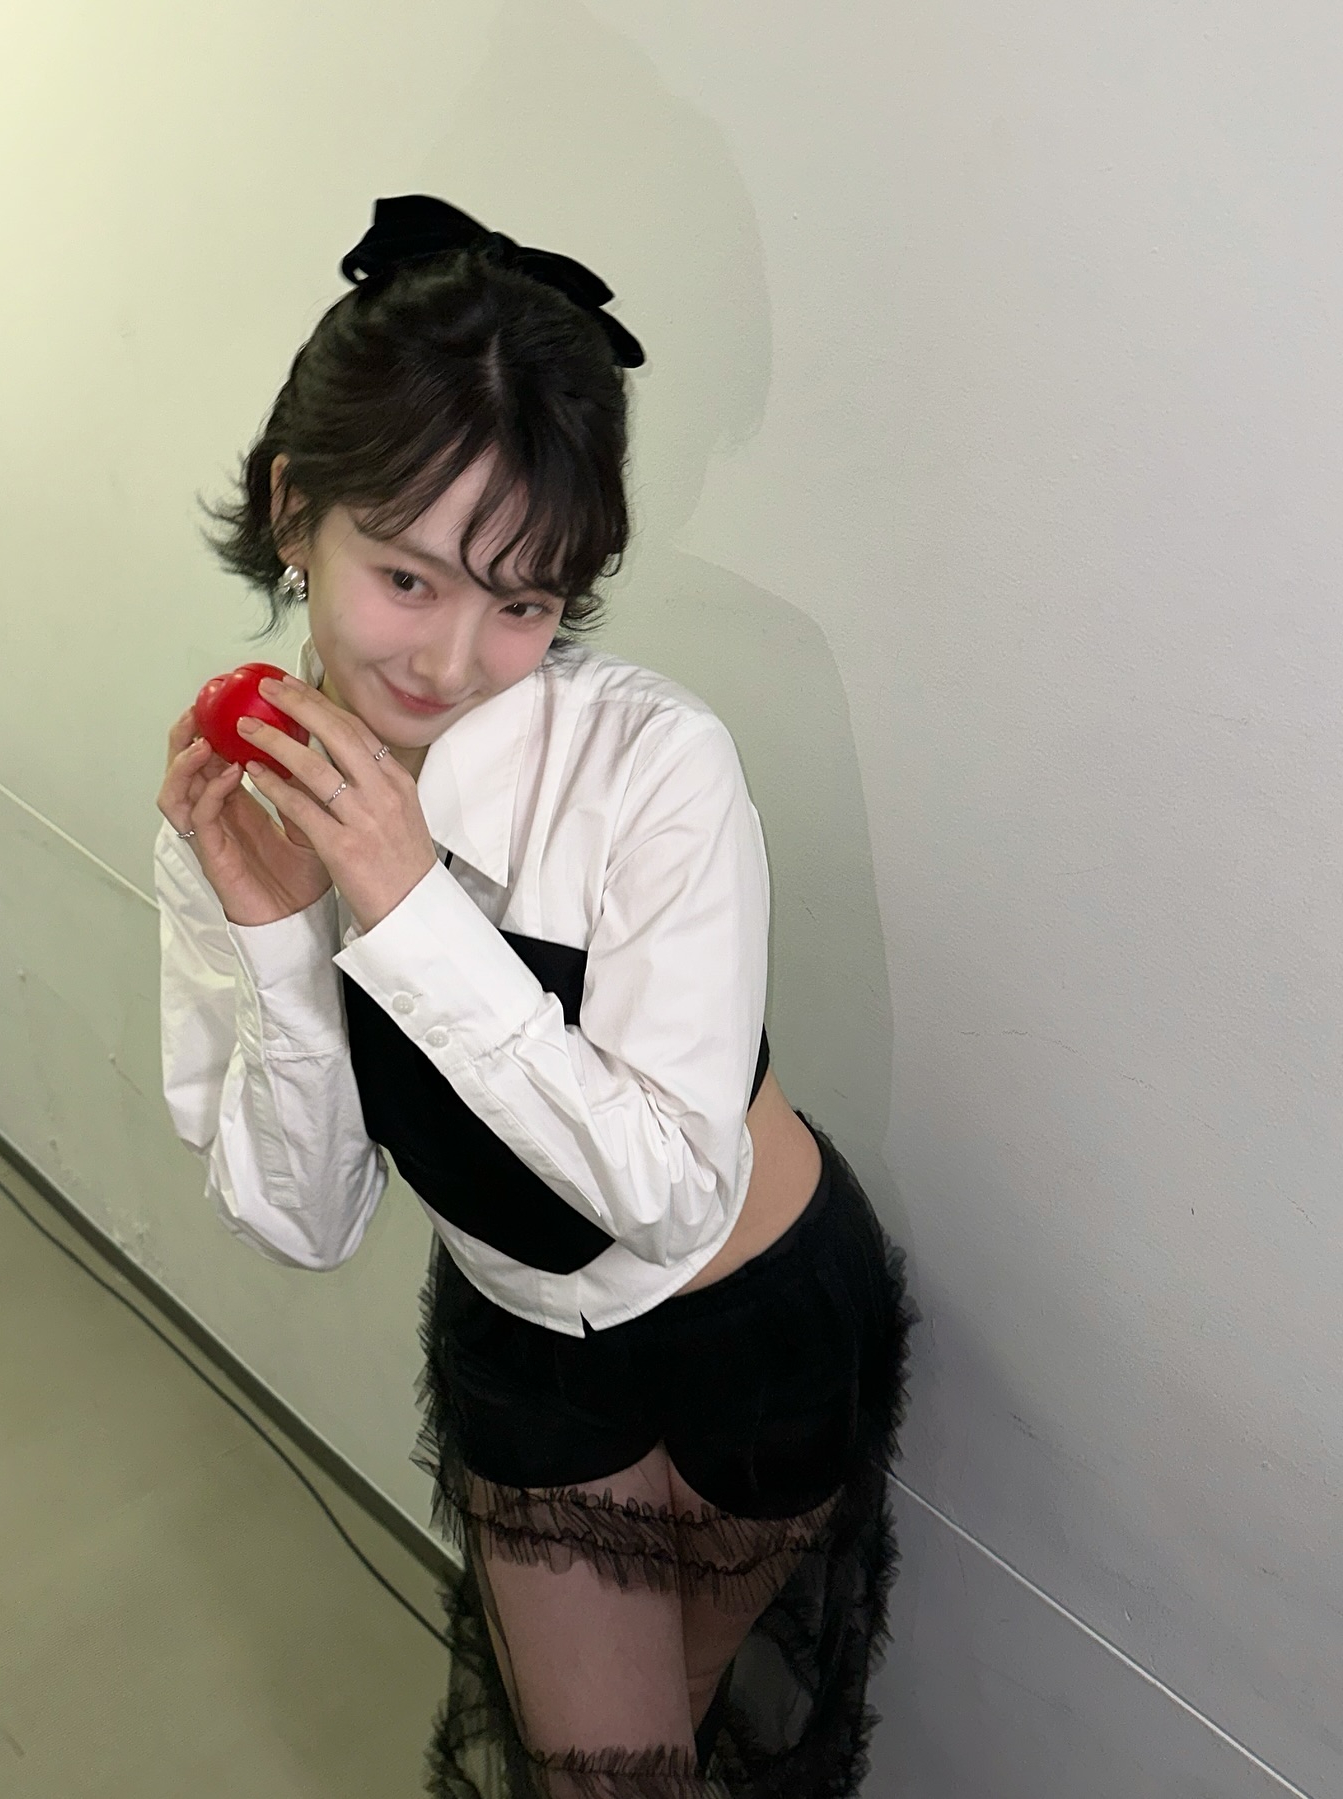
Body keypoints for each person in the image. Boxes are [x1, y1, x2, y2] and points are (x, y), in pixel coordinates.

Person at [154, 194, 912, 1799]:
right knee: (602, 1780)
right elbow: (308, 1220)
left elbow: (674, 1188)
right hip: (527, 1339)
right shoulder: (240, 795)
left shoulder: (654, 763)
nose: (450, 662)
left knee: (688, 1736)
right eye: (407, 577)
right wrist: (284, 941)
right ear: (295, 512)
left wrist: (409, 909)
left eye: (523, 602)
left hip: (763, 1319)